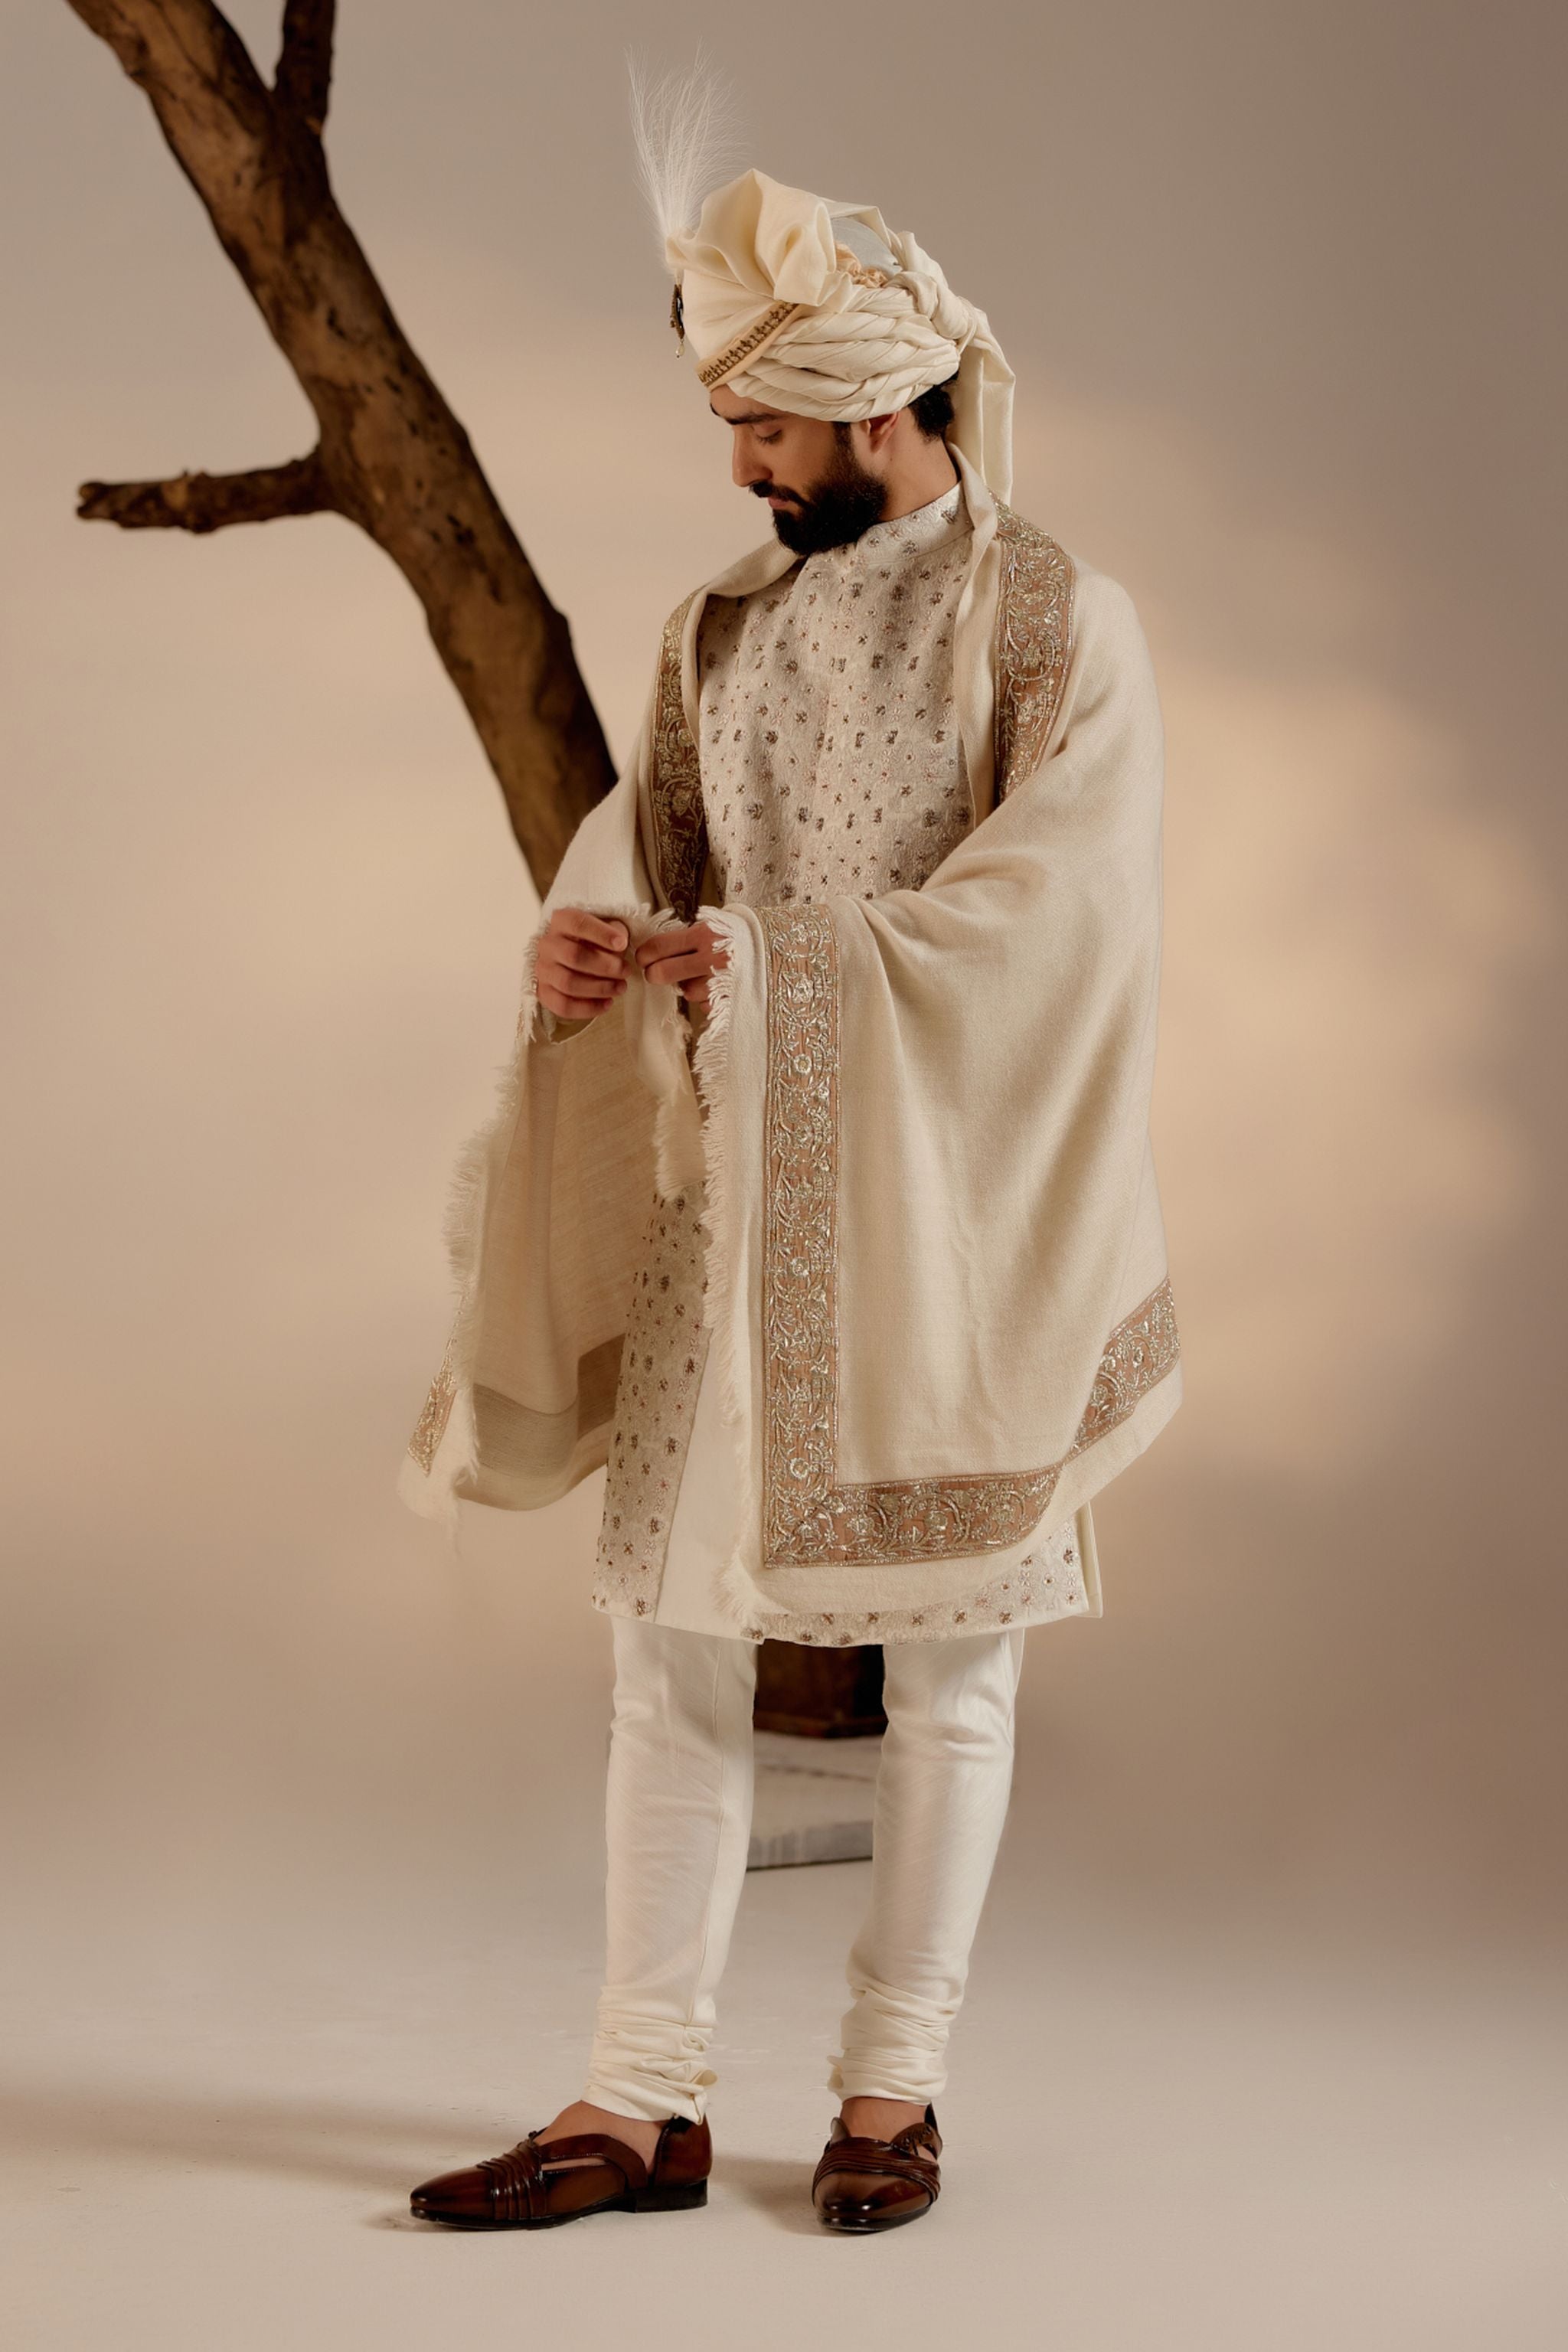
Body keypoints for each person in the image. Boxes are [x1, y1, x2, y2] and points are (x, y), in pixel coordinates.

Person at [403, 140, 1181, 2234]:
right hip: (726, 1210)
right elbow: (652, 849)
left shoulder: (1054, 622)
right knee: (667, 1655)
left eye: (762, 424)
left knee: (952, 1670)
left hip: (953, 1219)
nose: (739, 463)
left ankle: (889, 2091)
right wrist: (586, 942)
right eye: (729, 424)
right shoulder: (713, 632)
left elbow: (1065, 923)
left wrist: (774, 967)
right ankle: (636, 2099)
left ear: (875, 404)